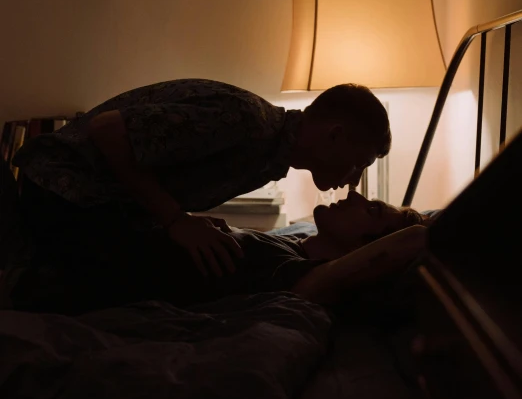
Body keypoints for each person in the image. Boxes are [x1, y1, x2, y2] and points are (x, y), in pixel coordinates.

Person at [13, 79, 391, 282]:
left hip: (95, 206)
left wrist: (185, 219)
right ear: (335, 136)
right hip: (59, 188)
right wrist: (176, 220)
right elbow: (107, 129)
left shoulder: (269, 158)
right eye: (359, 163)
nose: (354, 180)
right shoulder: (248, 122)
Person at [9, 190, 429, 315]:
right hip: (78, 233)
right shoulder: (291, 240)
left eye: (372, 209)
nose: (356, 192)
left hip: (57, 265)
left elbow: (413, 241)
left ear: (368, 248)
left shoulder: (307, 277)